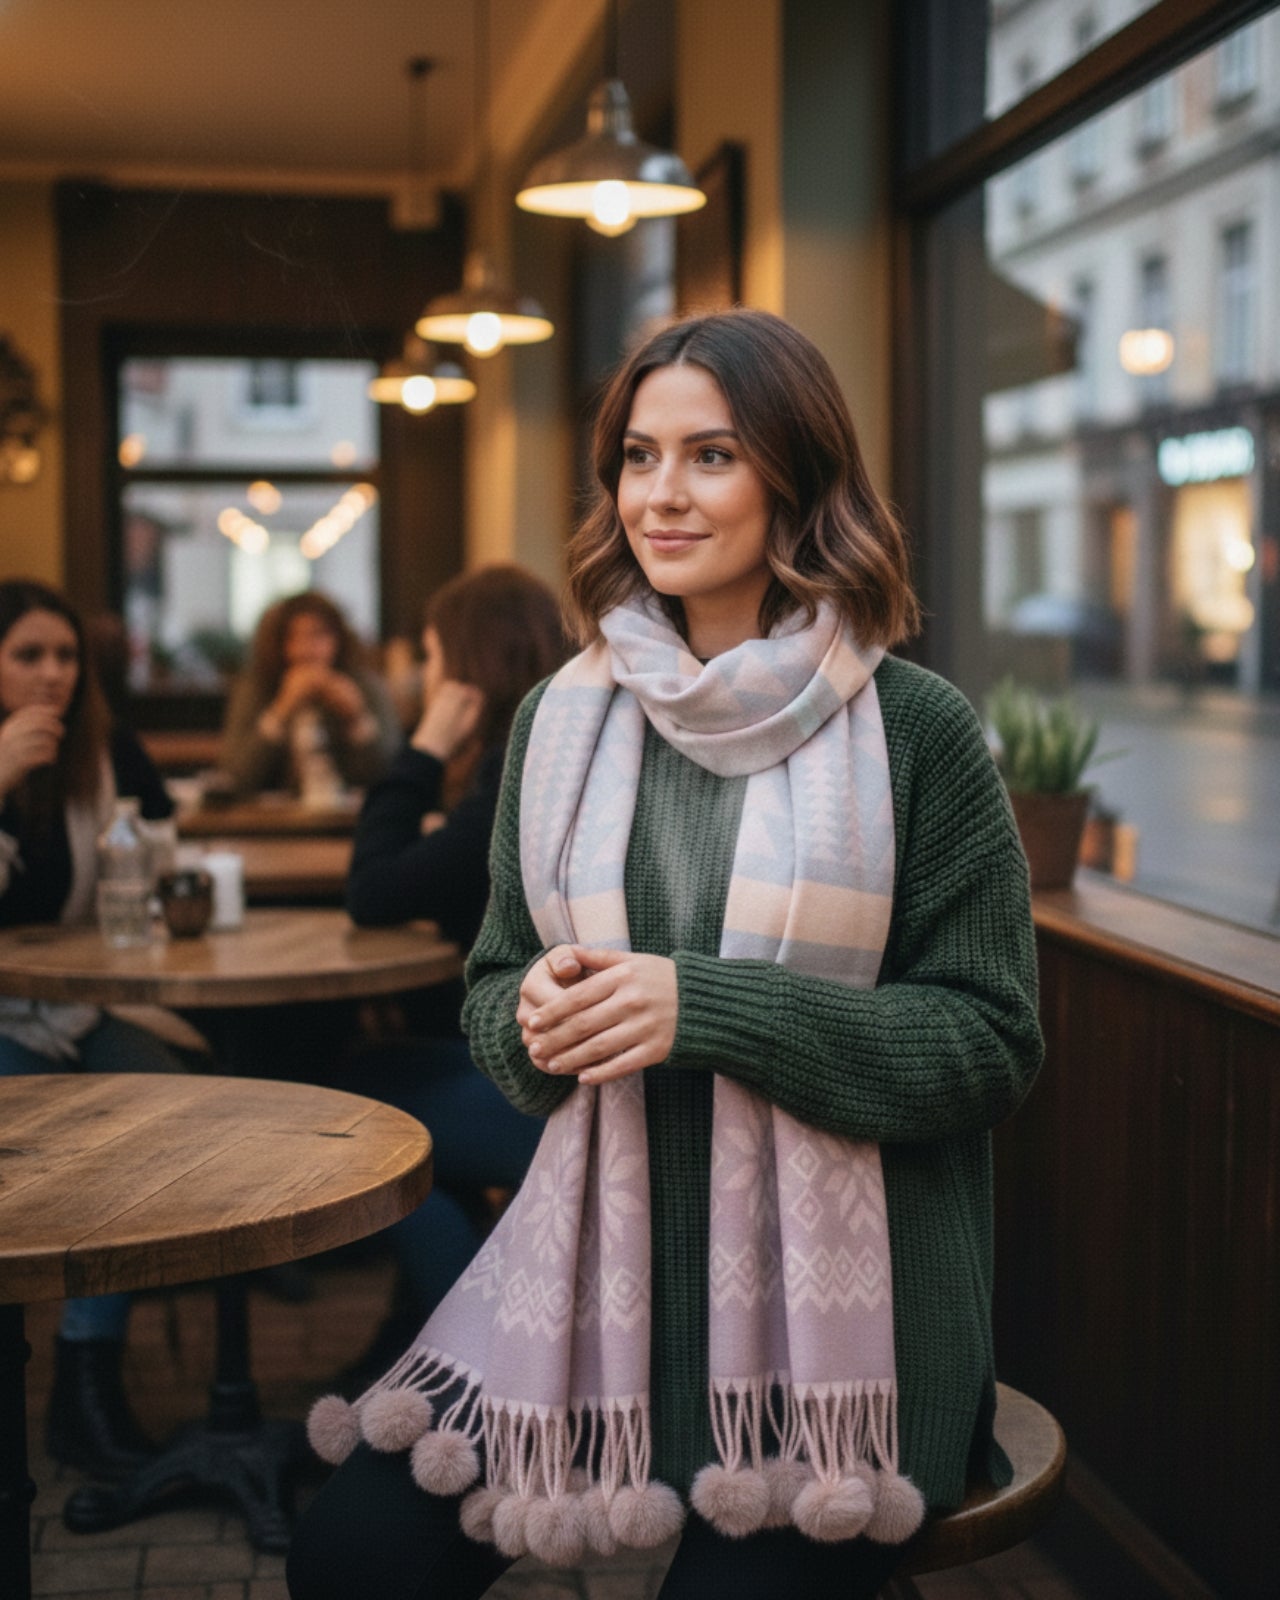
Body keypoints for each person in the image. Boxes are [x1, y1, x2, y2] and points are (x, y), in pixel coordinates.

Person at [288, 310, 1043, 1600]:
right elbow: (488, 982)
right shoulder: (563, 718)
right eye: (637, 457)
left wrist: (707, 1007)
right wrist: (524, 1011)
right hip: (595, 1284)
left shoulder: (913, 729)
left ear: (795, 476)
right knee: (349, 1555)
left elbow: (985, 1044)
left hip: (852, 1341)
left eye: (710, 456)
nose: (659, 494)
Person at [340, 565, 567, 1356]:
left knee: (349, 1114)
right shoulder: (550, 747)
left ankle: (475, 1353)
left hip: (548, 1094)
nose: (425, 676)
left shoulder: (516, 766)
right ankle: (414, 1340)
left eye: (435, 657)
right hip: (564, 1069)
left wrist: (425, 747)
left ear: (470, 669)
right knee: (377, 1082)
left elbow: (372, 890)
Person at [0, 578, 184, 1479]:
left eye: (65, 656)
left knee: (169, 1110)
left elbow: (163, 834)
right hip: (5, 1019)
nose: (52, 675)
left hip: (73, 1005)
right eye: (27, 655)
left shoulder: (97, 748)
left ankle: (87, 1377)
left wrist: (140, 837)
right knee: (73, 1141)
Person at [219, 590, 401, 797]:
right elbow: (235, 776)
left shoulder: (365, 687)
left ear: (339, 640)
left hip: (347, 820)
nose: (305, 648)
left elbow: (389, 775)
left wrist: (356, 719)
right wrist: (280, 712)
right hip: (271, 822)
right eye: (292, 636)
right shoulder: (257, 688)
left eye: (318, 635)